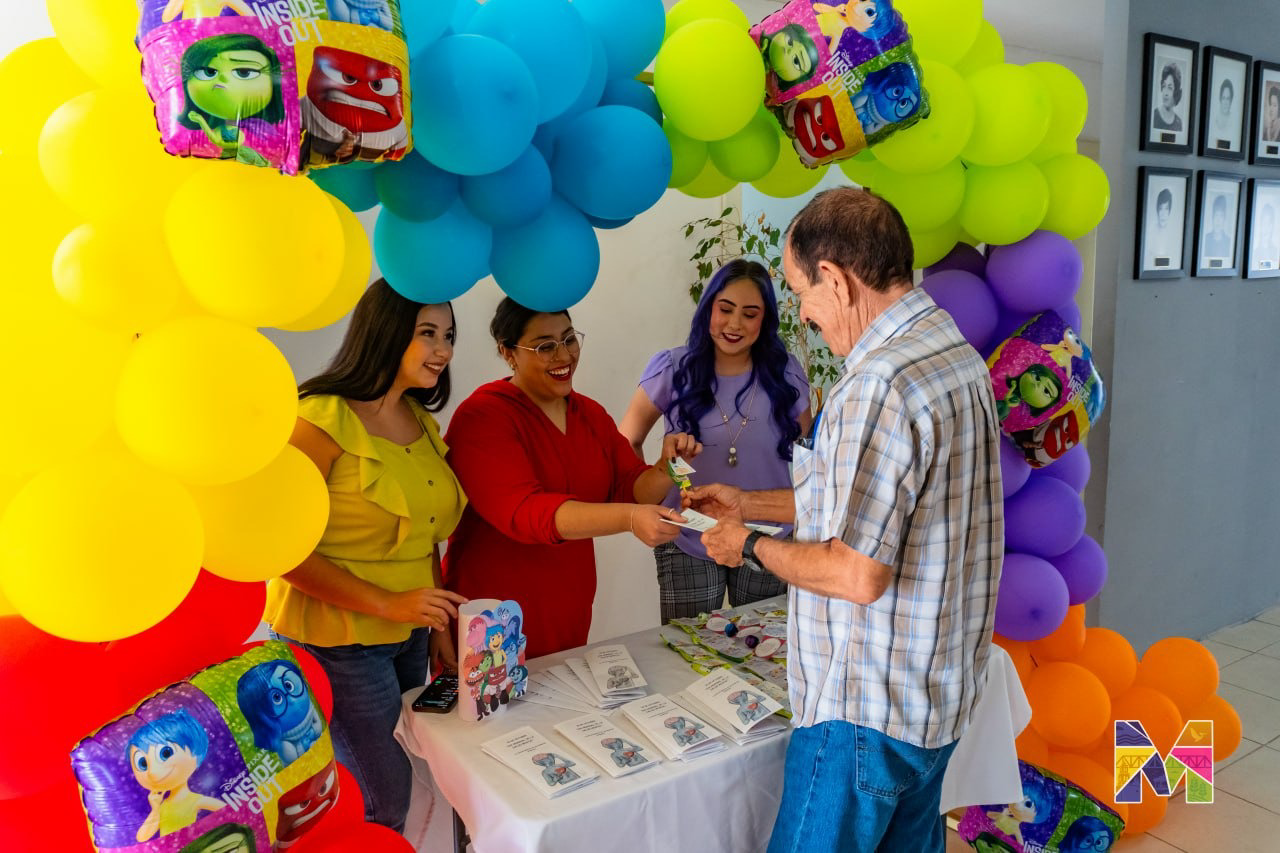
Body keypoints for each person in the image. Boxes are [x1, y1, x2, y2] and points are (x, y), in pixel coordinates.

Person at [689, 188, 1003, 853]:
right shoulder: (952, 353)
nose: (804, 317)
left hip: (865, 713)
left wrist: (746, 543)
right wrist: (749, 503)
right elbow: (872, 507)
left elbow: (857, 573)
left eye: (802, 295)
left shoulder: (878, 382)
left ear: (835, 278)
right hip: (934, 699)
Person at [264, 279, 468, 834]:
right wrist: (391, 602)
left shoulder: (420, 422)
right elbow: (282, 550)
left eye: (448, 334)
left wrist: (438, 626)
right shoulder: (320, 418)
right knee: (383, 796)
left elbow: (426, 539)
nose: (444, 349)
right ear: (386, 331)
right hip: (339, 638)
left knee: (413, 778)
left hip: (408, 632)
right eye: (428, 333)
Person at [443, 299, 697, 658]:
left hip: (566, 613)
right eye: (545, 347)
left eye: (569, 340)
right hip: (493, 620)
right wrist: (628, 519)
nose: (563, 356)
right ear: (508, 352)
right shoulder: (483, 417)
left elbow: (631, 488)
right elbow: (527, 513)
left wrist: (668, 467)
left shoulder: (589, 414)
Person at [619, 259, 810, 622]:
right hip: (689, 535)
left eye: (750, 314)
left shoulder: (786, 373)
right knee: (687, 652)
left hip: (767, 536)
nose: (734, 324)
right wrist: (649, 495)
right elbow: (625, 442)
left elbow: (808, 457)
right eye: (725, 309)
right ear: (708, 309)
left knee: (764, 651)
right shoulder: (671, 368)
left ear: (764, 321)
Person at [1145, 186, 1178, 268]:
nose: (1163, 213)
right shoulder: (1151, 230)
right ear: (1157, 210)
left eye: (1166, 209)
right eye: (1160, 209)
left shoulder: (1174, 234)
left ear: (1170, 211)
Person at [1152, 61, 1183, 132]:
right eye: (1164, 86)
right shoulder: (1154, 116)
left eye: (1170, 88)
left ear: (1176, 91)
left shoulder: (1179, 123)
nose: (1165, 93)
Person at [1203, 193, 1233, 259]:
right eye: (1216, 215)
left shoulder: (1229, 241)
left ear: (1224, 219)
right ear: (1212, 217)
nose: (1218, 220)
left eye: (1221, 216)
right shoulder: (1205, 239)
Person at [1210, 77, 1236, 144]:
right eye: (1223, 98)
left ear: (1231, 100)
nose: (1225, 102)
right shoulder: (1214, 119)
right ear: (1220, 99)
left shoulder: (1234, 122)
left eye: (1228, 98)